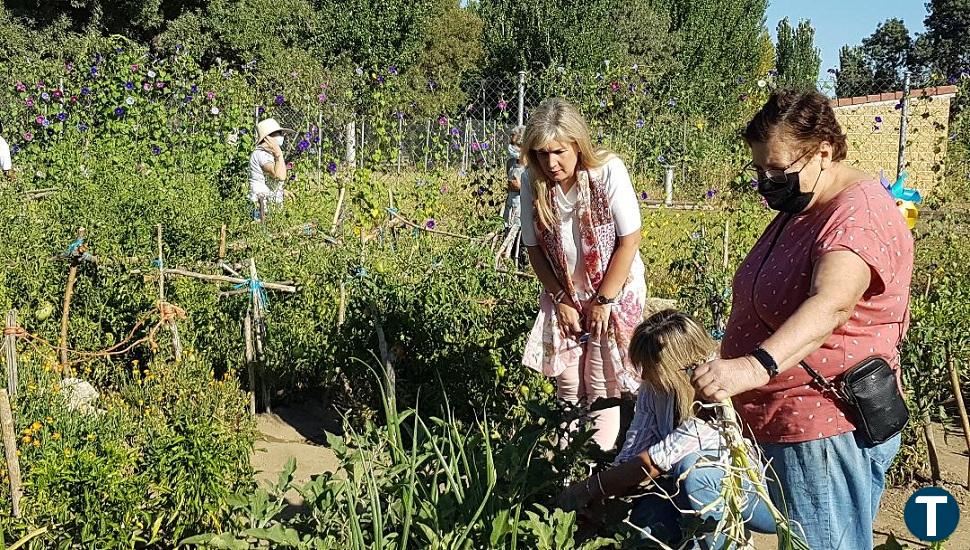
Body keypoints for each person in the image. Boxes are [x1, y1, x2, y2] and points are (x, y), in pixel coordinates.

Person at [690, 90, 914, 550]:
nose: (765, 181)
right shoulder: (806, 206)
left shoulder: (858, 215)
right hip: (789, 421)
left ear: (824, 153)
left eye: (776, 170)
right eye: (758, 170)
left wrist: (750, 368)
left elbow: (831, 303)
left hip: (823, 424)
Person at [557, 310, 775, 547]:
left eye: (651, 368)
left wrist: (586, 490)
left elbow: (654, 461)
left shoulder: (718, 392)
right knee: (645, 525)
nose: (645, 375)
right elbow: (634, 447)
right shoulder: (655, 389)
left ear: (676, 366)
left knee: (694, 471)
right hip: (680, 489)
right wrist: (605, 493)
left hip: (756, 499)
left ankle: (730, 542)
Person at [520, 98, 646, 451]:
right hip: (565, 294)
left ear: (577, 144)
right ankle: (566, 463)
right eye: (542, 154)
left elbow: (629, 240)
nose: (551, 162)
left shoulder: (607, 171)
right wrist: (560, 298)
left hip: (613, 289)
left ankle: (596, 464)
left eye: (558, 151)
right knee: (568, 379)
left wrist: (604, 300)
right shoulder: (534, 181)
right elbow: (533, 248)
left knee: (602, 380)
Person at [249, 118, 294, 219]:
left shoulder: (268, 154)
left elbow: (267, 180)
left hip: (270, 208)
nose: (282, 136)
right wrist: (278, 153)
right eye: (279, 133)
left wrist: (281, 191)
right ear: (268, 137)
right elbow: (279, 176)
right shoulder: (262, 154)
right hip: (262, 210)